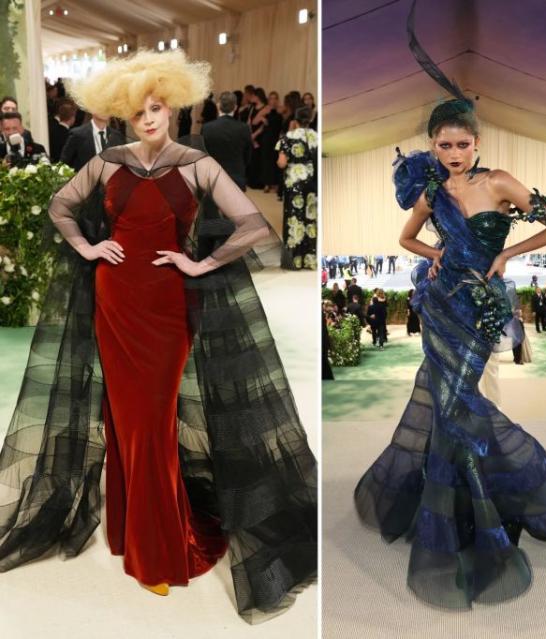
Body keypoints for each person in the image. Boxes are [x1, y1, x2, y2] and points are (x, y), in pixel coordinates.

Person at [0, 50, 316, 622]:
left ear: (171, 104)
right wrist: (89, 248)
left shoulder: (197, 165)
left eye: (157, 106)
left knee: (153, 418)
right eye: (138, 109)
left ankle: (156, 548)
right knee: (124, 420)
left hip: (168, 311)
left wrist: (200, 263)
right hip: (114, 302)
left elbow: (254, 227)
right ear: (122, 112)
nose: (149, 117)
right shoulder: (108, 163)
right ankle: (132, 534)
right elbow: (59, 206)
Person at [354, 0, 546, 610]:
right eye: (445, 145)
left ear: (477, 141)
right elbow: (403, 238)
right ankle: (458, 511)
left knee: (457, 402)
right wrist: (430, 254)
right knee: (450, 403)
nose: (454, 154)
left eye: (462, 144)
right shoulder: (430, 188)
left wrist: (507, 257)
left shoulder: (500, 181)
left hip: (480, 308)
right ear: (433, 144)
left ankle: (500, 500)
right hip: (442, 300)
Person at [276, 106, 318, 270]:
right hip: (312, 182)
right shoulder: (316, 137)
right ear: (311, 118)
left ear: (295, 119)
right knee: (310, 219)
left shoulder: (288, 137)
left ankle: (293, 260)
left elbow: (282, 163)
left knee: (294, 220)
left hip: (294, 182)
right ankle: (309, 259)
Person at [201, 91, 252, 190]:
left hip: (213, 177)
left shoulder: (207, 128)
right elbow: (248, 155)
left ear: (218, 106)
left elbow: (203, 154)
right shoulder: (244, 128)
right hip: (236, 177)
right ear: (236, 107)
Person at [60, 110, 124, 171]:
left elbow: (122, 164)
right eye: (101, 106)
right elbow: (63, 164)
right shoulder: (78, 134)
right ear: (92, 109)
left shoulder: (116, 136)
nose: (105, 110)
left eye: (107, 107)